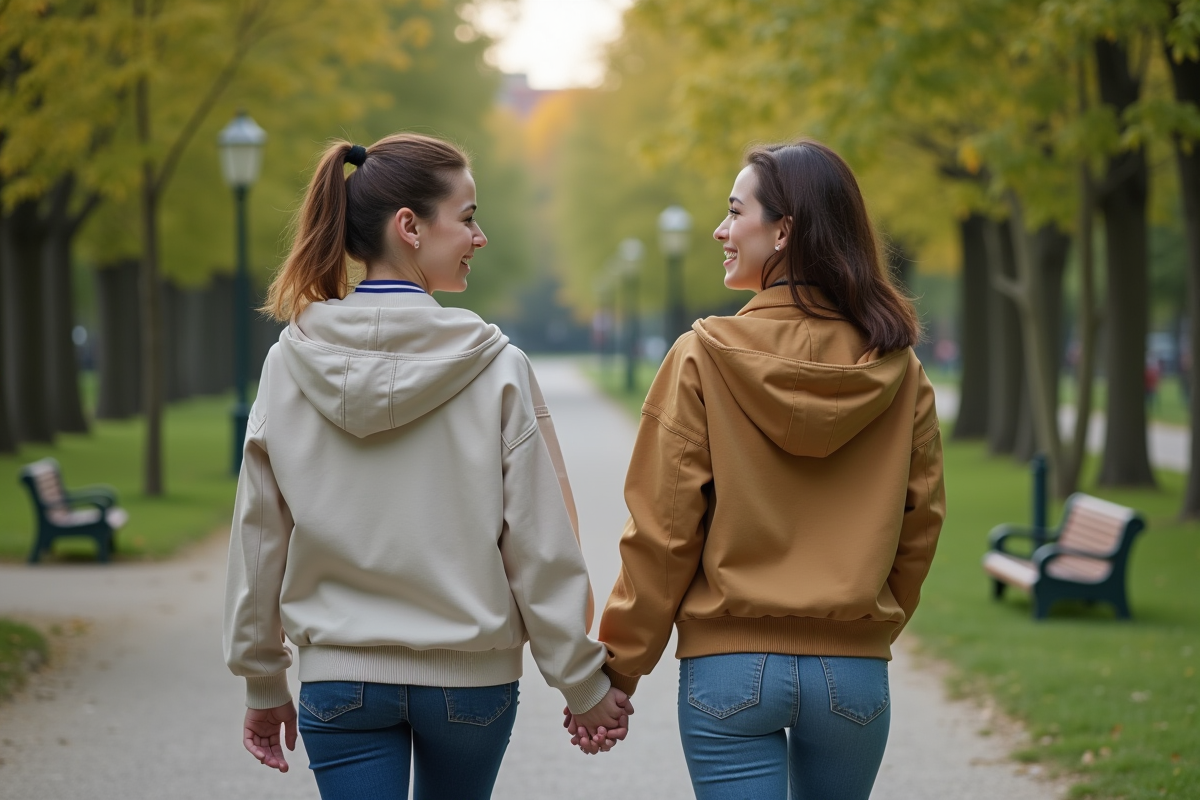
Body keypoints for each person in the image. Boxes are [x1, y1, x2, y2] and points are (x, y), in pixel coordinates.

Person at [223, 133, 629, 799]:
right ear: (409, 226)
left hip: (341, 681)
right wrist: (581, 682)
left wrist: (263, 679)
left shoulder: (288, 362)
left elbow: (259, 535)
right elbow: (538, 540)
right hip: (470, 686)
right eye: (466, 217)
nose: (480, 237)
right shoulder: (498, 366)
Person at [584, 139, 946, 798]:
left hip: (730, 669)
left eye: (734, 212)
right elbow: (920, 526)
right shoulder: (901, 370)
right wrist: (868, 624)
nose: (721, 230)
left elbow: (664, 533)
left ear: (784, 229)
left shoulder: (700, 356)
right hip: (852, 675)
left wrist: (617, 668)